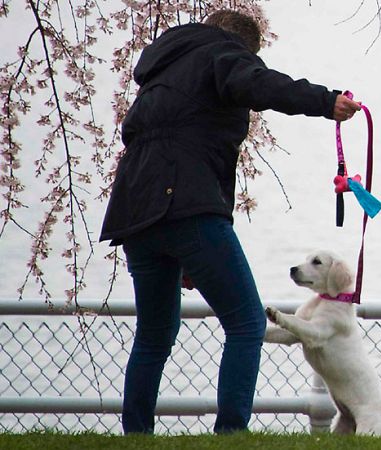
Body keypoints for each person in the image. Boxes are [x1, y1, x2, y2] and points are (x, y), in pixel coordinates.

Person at [99, 9, 361, 434]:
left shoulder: (161, 71)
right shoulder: (222, 52)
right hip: (189, 208)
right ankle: (231, 434)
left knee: (153, 334)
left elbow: (171, 142)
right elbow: (258, 85)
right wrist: (323, 101)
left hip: (137, 215)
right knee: (246, 323)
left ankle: (136, 434)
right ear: (242, 45)